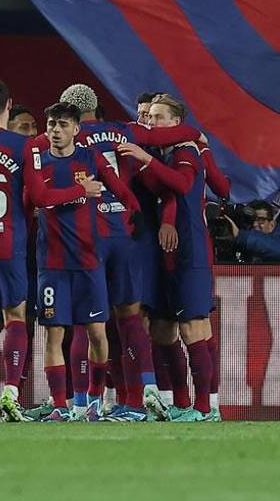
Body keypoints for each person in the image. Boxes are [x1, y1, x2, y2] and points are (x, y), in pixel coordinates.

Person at [0, 81, 103, 423]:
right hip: (8, 246)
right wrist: (81, 189)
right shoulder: (24, 145)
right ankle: (11, 393)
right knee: (17, 317)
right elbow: (42, 199)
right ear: (9, 104)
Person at [58, 83, 206, 420]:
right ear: (97, 107)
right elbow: (162, 177)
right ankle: (141, 397)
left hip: (87, 235)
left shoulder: (68, 138)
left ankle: (83, 402)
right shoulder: (122, 132)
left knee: (87, 323)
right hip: (127, 236)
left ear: (68, 113)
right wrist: (197, 138)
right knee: (130, 319)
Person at [117, 93, 219, 422]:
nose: (152, 122)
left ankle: (205, 408)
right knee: (163, 330)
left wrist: (143, 158)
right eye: (149, 116)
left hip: (191, 250)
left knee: (193, 327)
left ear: (176, 123)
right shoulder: (161, 152)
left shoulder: (186, 151)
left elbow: (182, 182)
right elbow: (160, 190)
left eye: (160, 117)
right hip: (165, 252)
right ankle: (181, 401)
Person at [35, 102, 139, 422]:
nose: (56, 130)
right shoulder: (37, 160)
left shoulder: (89, 158)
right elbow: (40, 199)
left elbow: (118, 187)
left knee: (96, 331)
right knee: (54, 335)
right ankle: (59, 404)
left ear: (76, 129)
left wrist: (134, 213)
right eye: (52, 123)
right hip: (52, 262)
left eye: (63, 124)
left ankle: (93, 399)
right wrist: (80, 190)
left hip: (87, 258)